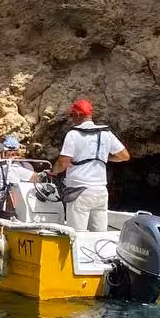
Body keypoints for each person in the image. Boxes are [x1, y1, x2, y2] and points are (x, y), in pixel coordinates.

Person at [53, 99, 131, 232]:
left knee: (77, 235)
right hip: (101, 192)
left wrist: (53, 172)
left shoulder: (73, 134)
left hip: (80, 191)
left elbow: (62, 162)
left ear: (77, 115)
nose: (72, 119)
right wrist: (103, 157)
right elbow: (124, 156)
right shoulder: (106, 133)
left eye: (72, 115)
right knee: (100, 234)